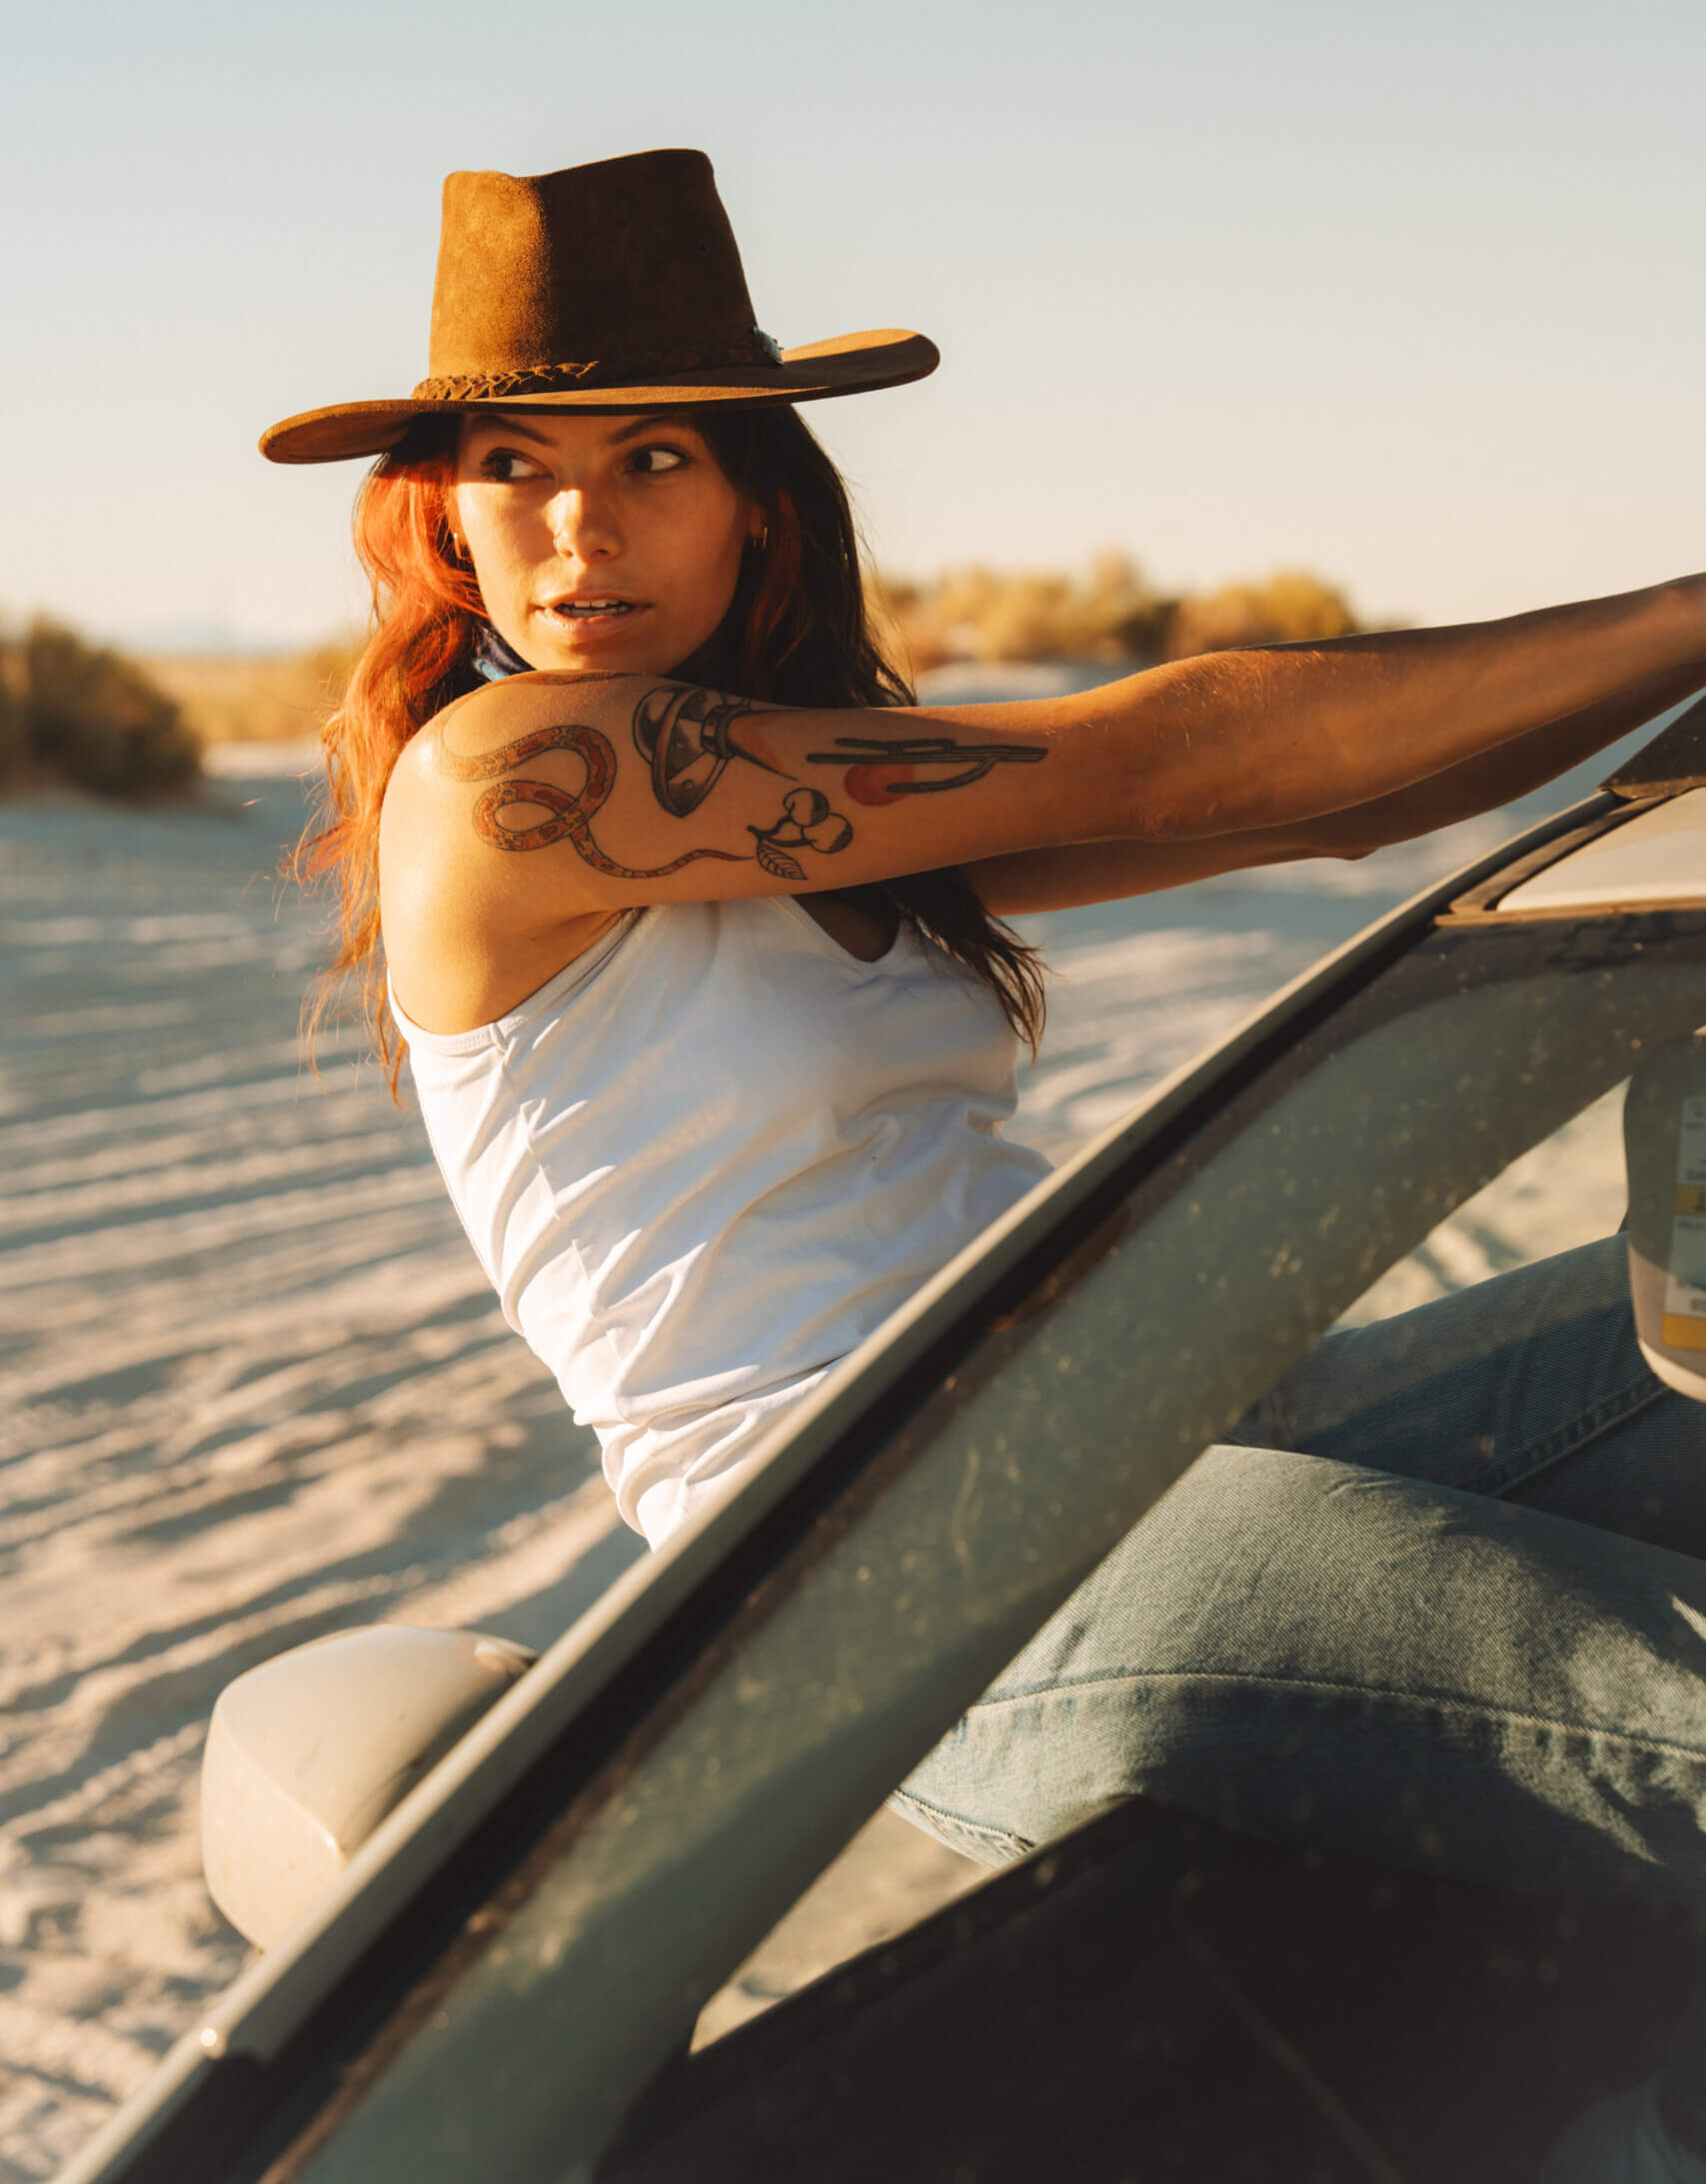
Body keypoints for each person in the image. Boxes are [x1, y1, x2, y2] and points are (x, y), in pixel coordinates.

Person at [271, 149, 1706, 2172]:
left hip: (1162, 1415)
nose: (576, 525)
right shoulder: (518, 782)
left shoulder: (805, 791)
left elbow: (1334, 803)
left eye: (653, 452)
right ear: (439, 509)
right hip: (902, 1568)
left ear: (757, 487)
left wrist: (1670, 702)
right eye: (513, 463)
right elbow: (1154, 752)